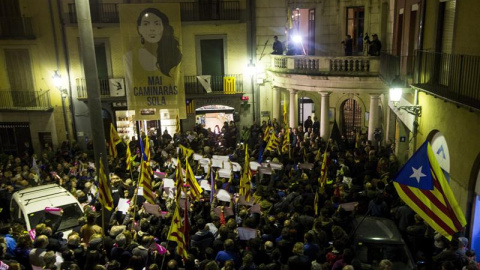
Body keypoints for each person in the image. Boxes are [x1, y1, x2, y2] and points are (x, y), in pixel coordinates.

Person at [135, 8, 182, 76]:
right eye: (146, 24)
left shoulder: (175, 54)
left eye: (157, 24)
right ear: (139, 29)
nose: (152, 29)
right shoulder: (130, 57)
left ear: (163, 28)